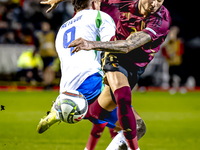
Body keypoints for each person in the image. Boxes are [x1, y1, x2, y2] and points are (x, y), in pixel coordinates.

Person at [68, 0, 171, 149]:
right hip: (114, 56)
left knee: (97, 113)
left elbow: (128, 45)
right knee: (123, 97)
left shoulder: (160, 20)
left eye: (160, 0)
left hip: (135, 65)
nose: (155, 4)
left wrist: (91, 44)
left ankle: (62, 110)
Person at [37, 0, 122, 150]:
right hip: (91, 81)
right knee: (132, 125)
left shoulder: (63, 28)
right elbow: (111, 47)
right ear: (94, 2)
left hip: (66, 90)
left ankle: (58, 111)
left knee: (99, 117)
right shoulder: (99, 16)